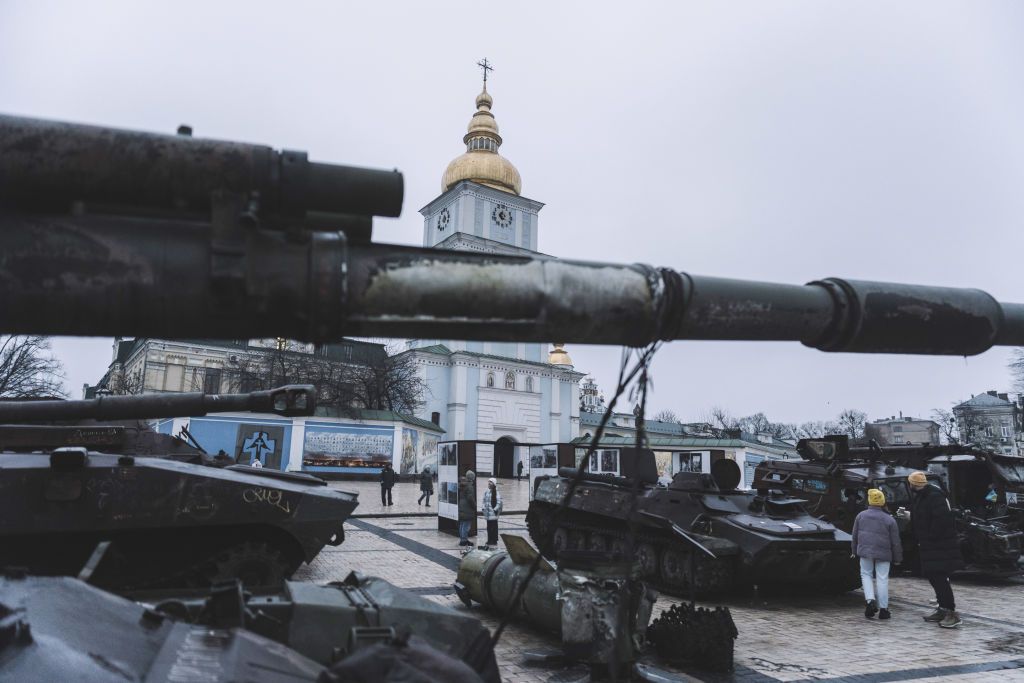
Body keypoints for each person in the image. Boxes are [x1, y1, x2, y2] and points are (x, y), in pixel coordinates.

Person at [908, 470, 964, 628]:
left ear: (913, 484)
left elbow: (941, 520)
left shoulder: (934, 496)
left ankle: (951, 613)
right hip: (930, 545)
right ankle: (943, 608)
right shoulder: (923, 496)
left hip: (938, 545)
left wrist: (929, 537)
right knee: (934, 577)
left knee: (940, 579)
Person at [851, 488, 902, 620]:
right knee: (882, 578)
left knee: (866, 575)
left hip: (865, 551)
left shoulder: (861, 515)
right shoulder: (889, 520)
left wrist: (853, 551)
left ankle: (870, 601)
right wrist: (897, 558)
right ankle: (884, 609)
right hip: (884, 553)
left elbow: (854, 536)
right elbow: (895, 542)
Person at [481, 477, 503, 547]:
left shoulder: (496, 492)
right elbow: (483, 500)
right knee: (488, 527)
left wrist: (495, 509)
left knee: (493, 527)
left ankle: (493, 540)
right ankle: (489, 539)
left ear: (493, 484)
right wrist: (483, 507)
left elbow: (499, 502)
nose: (489, 483)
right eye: (488, 482)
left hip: (493, 514)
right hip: (487, 514)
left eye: (490, 482)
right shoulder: (486, 491)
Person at [457, 470, 476, 546]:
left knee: (462, 524)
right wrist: (474, 506)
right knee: (466, 525)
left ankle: (462, 539)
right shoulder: (470, 486)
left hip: (461, 505)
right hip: (467, 507)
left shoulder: (462, 484)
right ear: (472, 478)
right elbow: (470, 498)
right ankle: (464, 540)